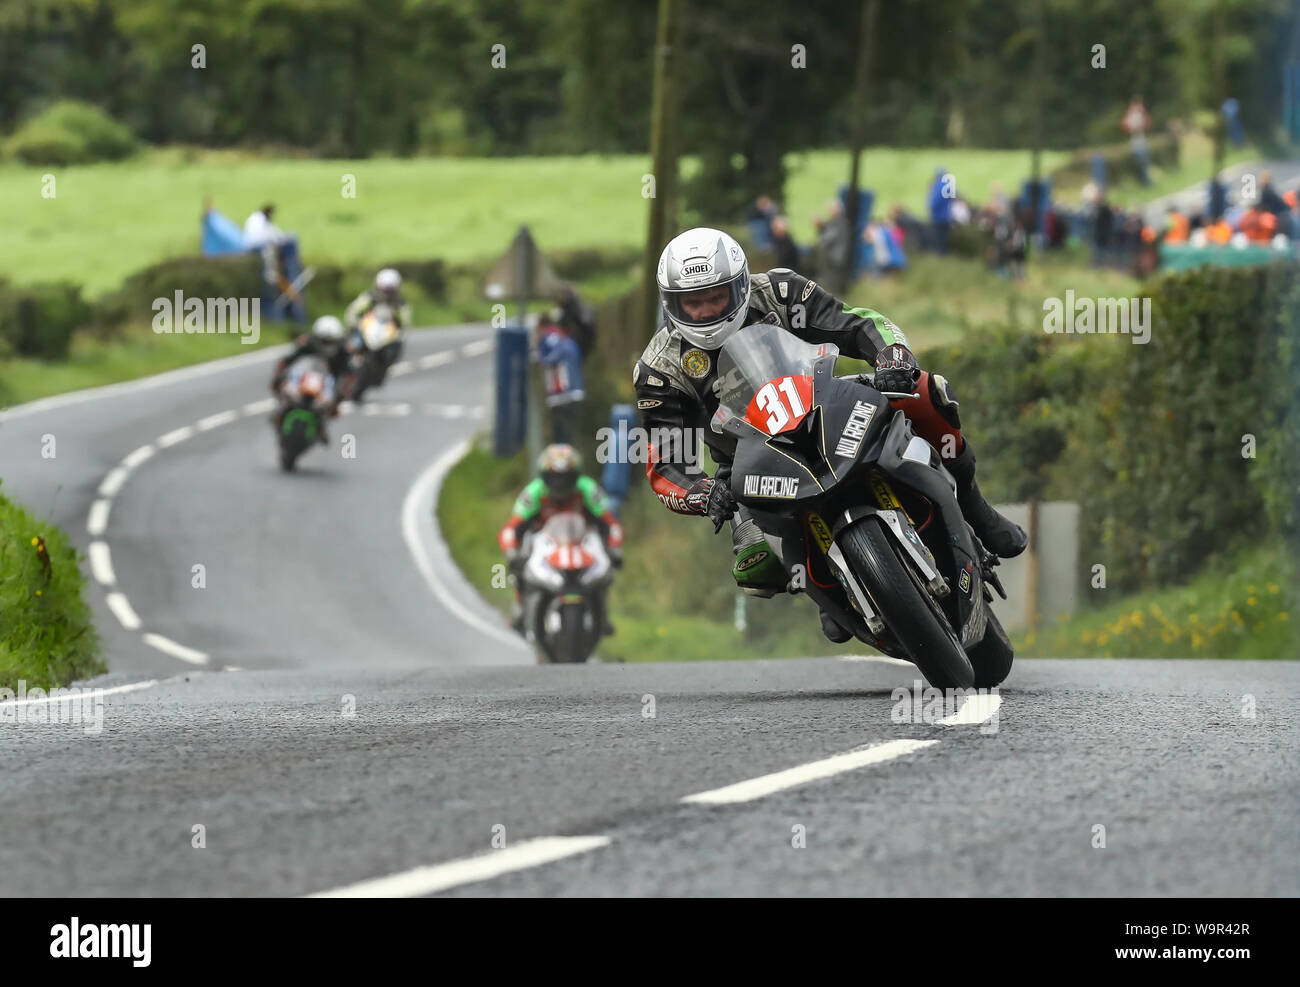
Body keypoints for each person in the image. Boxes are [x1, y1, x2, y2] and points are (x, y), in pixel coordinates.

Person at [633, 228, 1026, 644]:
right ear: (670, 303)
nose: (706, 311)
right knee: (757, 568)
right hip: (749, 458)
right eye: (692, 303)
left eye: (716, 297)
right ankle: (833, 592)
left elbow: (859, 324)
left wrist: (892, 356)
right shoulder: (659, 368)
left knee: (927, 391)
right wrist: (699, 492)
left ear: (741, 286)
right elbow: (664, 461)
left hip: (828, 405)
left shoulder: (782, 292)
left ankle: (975, 506)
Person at [498, 444, 624, 636]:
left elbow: (610, 524)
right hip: (543, 545)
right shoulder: (534, 493)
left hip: (580, 543)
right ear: (544, 477)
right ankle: (521, 610)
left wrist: (614, 548)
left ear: (575, 476)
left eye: (565, 478)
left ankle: (602, 613)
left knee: (605, 571)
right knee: (517, 567)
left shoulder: (588, 489)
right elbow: (511, 528)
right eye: (554, 478)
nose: (560, 484)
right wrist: (511, 551)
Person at [269, 315, 347, 438]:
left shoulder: (343, 351)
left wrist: (339, 397)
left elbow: (348, 373)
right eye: (324, 341)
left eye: (331, 341)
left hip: (328, 381)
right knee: (286, 389)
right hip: (304, 376)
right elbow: (286, 361)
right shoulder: (306, 343)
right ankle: (281, 412)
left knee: (334, 401)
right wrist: (277, 378)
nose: (327, 345)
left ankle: (322, 425)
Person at [534, 311, 586, 444]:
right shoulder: (565, 337)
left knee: (559, 439)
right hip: (577, 392)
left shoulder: (545, 338)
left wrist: (543, 357)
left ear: (541, 327)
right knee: (572, 437)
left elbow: (544, 359)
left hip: (559, 396)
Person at [344, 268, 412, 331]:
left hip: (388, 332)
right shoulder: (370, 297)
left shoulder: (399, 302)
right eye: (385, 290)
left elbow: (405, 321)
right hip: (367, 329)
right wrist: (356, 326)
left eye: (390, 290)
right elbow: (354, 311)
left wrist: (396, 322)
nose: (387, 293)